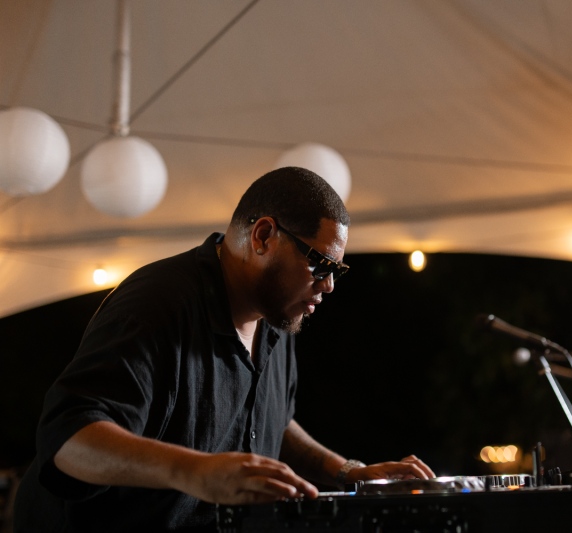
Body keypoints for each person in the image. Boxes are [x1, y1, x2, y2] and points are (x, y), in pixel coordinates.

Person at [13, 167, 435, 532]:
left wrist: (346, 472)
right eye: (320, 264)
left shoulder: (276, 318)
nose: (328, 286)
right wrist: (194, 470)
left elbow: (272, 421)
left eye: (337, 271)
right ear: (264, 236)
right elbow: (70, 438)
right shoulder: (155, 304)